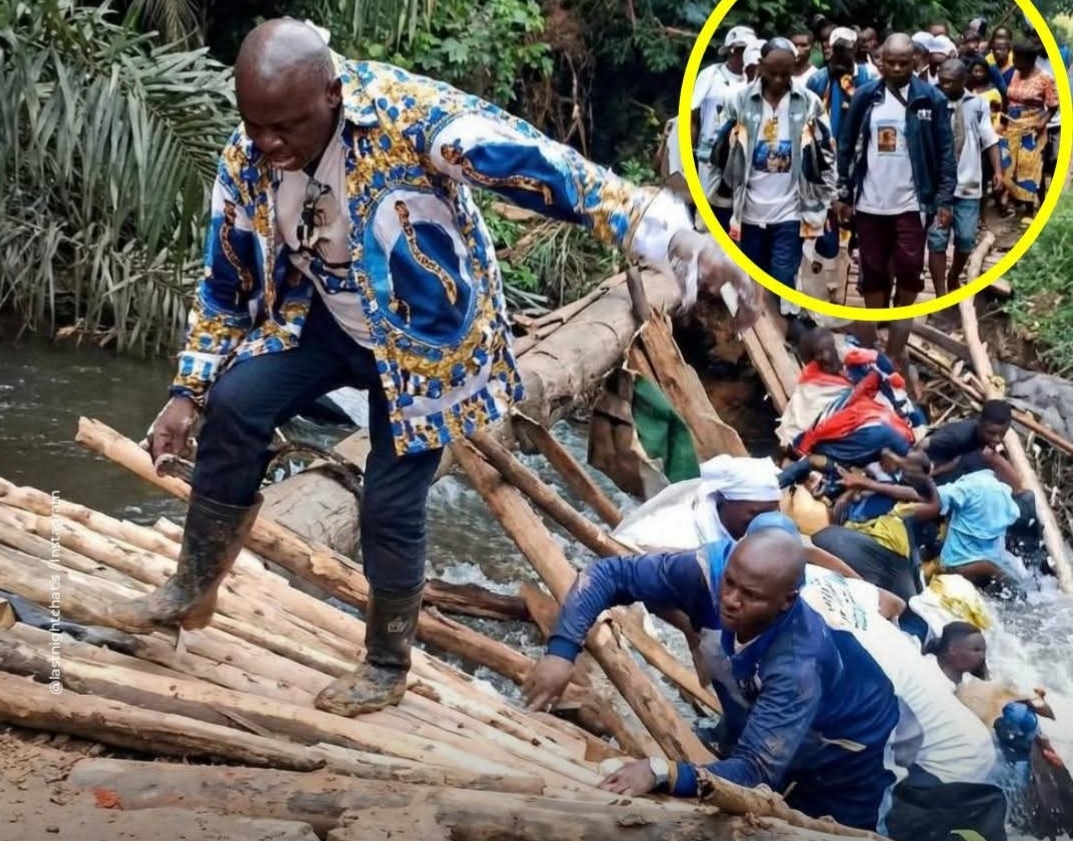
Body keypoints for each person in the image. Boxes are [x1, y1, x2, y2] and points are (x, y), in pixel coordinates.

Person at [107, 18, 755, 717]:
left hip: (429, 341)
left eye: (285, 127)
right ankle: (193, 586)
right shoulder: (248, 157)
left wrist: (675, 238)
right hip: (323, 317)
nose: (267, 144)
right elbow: (225, 285)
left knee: (389, 500)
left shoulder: (410, 117)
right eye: (254, 125)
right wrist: (187, 391)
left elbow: (542, 166)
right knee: (235, 401)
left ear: (332, 95)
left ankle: (386, 663)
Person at [523, 526, 900, 831]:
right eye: (730, 583)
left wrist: (662, 771)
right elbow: (611, 574)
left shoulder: (798, 663)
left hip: (847, 745)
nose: (731, 600)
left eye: (750, 595)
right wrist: (561, 651)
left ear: (786, 601)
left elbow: (755, 771)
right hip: (774, 702)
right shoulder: (708, 570)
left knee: (821, 826)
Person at [762, 515, 1008, 841]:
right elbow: (894, 603)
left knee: (880, 820)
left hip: (950, 761)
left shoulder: (820, 637)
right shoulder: (823, 580)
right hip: (950, 730)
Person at [835, 33, 957, 369]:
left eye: (904, 63)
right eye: (891, 62)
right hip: (869, 203)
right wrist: (843, 193)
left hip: (912, 204)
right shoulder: (865, 97)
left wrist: (944, 200)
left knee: (909, 269)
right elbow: (845, 145)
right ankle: (875, 349)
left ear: (915, 61)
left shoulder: (930, 99)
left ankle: (897, 346)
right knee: (872, 271)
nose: (898, 68)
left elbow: (945, 152)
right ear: (881, 61)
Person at [708, 38, 836, 332]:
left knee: (781, 278)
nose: (779, 80)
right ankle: (755, 339)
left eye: (785, 74)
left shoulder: (809, 103)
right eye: (773, 73)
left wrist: (827, 201)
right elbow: (713, 150)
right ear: (761, 67)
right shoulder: (738, 101)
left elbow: (828, 154)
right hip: (748, 210)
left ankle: (780, 339)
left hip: (791, 210)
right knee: (751, 280)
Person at [928, 59, 1003, 299]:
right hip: (939, 185)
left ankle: (954, 274)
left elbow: (989, 139)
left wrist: (998, 171)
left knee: (966, 238)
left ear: (963, 81)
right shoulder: (931, 101)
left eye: (950, 82)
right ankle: (941, 293)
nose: (944, 86)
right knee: (937, 238)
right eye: (941, 81)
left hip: (967, 183)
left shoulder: (978, 105)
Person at [1002, 40, 1060, 219]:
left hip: (1033, 127)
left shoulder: (1045, 78)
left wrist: (1043, 121)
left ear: (1030, 59)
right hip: (1013, 125)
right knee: (1010, 165)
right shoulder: (1015, 74)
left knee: (1030, 166)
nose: (1014, 61)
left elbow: (1053, 106)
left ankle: (1032, 208)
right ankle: (1016, 201)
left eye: (1018, 58)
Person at [914, 399, 1019, 487]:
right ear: (980, 422)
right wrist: (924, 474)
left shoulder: (982, 436)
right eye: (991, 433)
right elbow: (922, 444)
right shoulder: (957, 436)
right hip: (929, 467)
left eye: (1002, 433)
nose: (997, 439)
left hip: (951, 463)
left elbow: (955, 460)